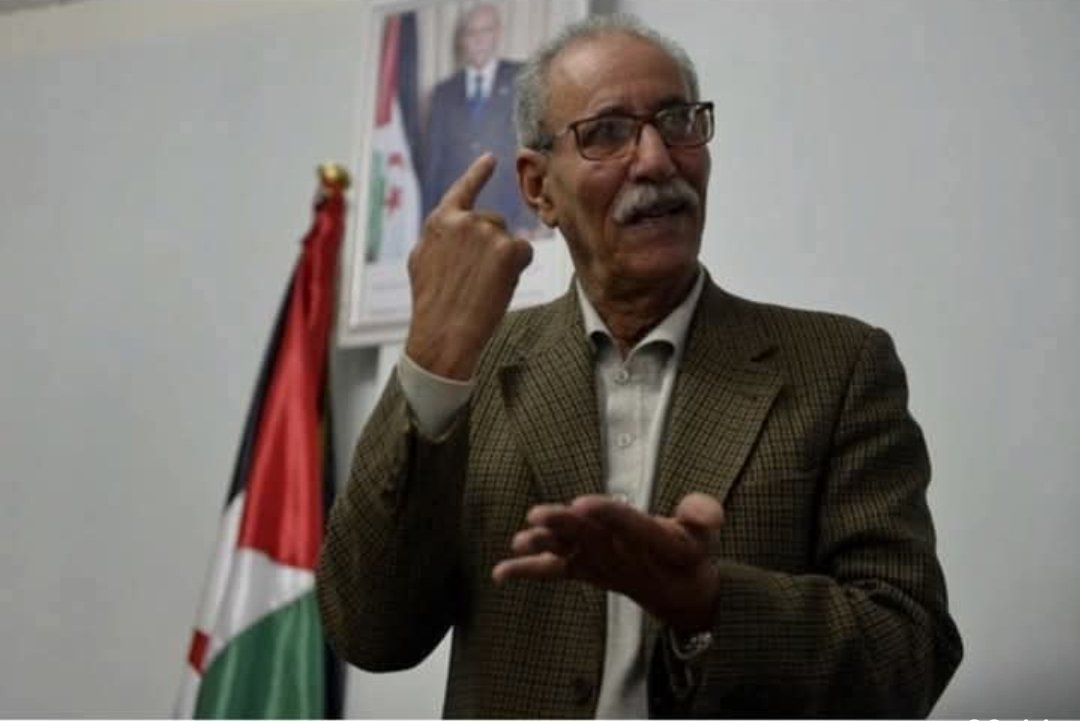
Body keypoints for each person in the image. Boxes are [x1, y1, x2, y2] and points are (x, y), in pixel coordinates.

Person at [317, 13, 962, 719]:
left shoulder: (838, 367)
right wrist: (433, 359)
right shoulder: (475, 368)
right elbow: (370, 632)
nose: (657, 160)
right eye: (608, 132)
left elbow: (909, 652)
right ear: (538, 188)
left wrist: (709, 601)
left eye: (678, 122)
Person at [421, 3, 537, 236]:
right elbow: (432, 166)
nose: (478, 40)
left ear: (498, 34)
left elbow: (534, 149)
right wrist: (430, 224)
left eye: (486, 31)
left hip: (510, 220)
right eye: (471, 33)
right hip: (456, 223)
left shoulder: (522, 78)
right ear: (462, 40)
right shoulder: (443, 93)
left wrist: (529, 218)